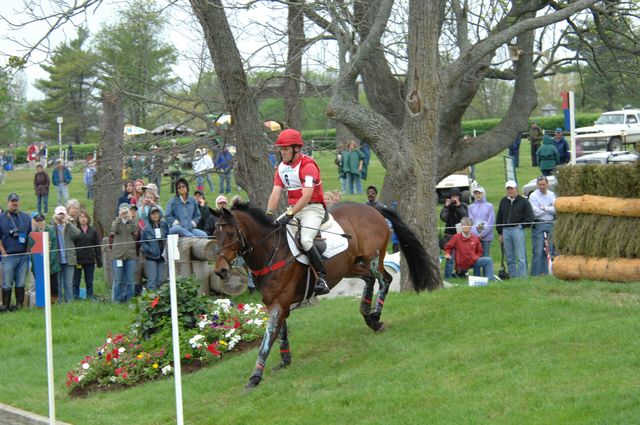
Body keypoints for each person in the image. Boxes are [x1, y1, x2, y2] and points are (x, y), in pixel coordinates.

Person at [266, 128, 330, 295]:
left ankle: (322, 278)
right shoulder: (281, 168)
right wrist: (269, 214)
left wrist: (289, 214)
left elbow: (307, 195)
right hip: (293, 210)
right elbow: (275, 192)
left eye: (286, 149)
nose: (282, 152)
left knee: (306, 241)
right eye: (281, 149)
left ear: (296, 148)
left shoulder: (308, 166)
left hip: (312, 209)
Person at [0, 193, 32, 312]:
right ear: (8, 202)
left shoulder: (25, 217)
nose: (14, 203)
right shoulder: (1, 218)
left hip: (23, 256)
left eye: (16, 201)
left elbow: (30, 235)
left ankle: (19, 305)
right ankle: (5, 306)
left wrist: (28, 251)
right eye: (12, 201)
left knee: (21, 282)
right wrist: (3, 252)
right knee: (7, 282)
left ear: (19, 202)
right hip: (8, 256)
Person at [496, 180, 534, 278]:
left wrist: (522, 225)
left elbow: (530, 217)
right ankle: (512, 275)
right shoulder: (503, 201)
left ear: (516, 188)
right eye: (508, 189)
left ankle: (522, 276)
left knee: (520, 255)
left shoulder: (523, 201)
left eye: (511, 188)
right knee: (509, 256)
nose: (510, 191)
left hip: (517, 229)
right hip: (505, 230)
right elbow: (499, 217)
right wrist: (500, 233)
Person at [28, 212, 60, 304]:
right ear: (34, 222)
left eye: (41, 220)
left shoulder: (51, 231)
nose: (40, 223)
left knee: (53, 287)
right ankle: (41, 305)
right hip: (38, 266)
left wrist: (49, 262)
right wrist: (39, 264)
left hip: (52, 266)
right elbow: (32, 251)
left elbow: (54, 248)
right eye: (37, 221)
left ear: (44, 221)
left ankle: (53, 304)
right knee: (40, 286)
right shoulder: (32, 234)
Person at [52, 205, 81, 303]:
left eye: (63, 214)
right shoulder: (52, 226)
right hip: (57, 259)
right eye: (59, 214)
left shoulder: (69, 225)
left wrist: (68, 223)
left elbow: (77, 234)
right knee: (58, 283)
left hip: (69, 258)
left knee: (68, 283)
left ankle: (69, 302)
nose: (61, 217)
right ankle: (60, 302)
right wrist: (54, 222)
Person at [111, 203, 139, 303]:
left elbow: (134, 230)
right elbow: (114, 230)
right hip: (118, 255)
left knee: (130, 281)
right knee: (118, 280)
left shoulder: (131, 222)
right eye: (122, 211)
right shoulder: (116, 222)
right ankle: (117, 301)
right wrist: (119, 219)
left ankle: (129, 300)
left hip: (130, 255)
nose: (124, 213)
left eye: (126, 211)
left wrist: (129, 219)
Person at [529, 176, 556, 276]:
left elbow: (556, 209)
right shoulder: (533, 195)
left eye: (543, 184)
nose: (542, 186)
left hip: (550, 224)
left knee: (548, 250)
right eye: (540, 184)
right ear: (537, 185)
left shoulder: (552, 195)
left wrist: (544, 208)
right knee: (538, 250)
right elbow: (535, 212)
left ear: (547, 184)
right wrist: (549, 210)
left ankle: (546, 272)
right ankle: (535, 274)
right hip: (539, 224)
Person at [73, 210, 102, 300]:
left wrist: (99, 260)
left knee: (89, 281)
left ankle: (90, 297)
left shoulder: (93, 230)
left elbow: (97, 246)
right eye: (81, 217)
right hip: (78, 260)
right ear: (78, 219)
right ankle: (75, 297)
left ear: (88, 219)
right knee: (76, 281)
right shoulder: (75, 230)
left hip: (89, 260)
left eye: (84, 217)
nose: (83, 219)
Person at [439, 188, 468, 278]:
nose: (454, 198)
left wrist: (459, 207)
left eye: (456, 196)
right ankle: (447, 276)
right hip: (449, 235)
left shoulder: (463, 205)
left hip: (460, 235)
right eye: (452, 196)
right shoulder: (448, 206)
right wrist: (446, 207)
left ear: (459, 197)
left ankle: (461, 273)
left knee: (462, 256)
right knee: (450, 257)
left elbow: (465, 218)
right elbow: (443, 218)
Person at [140, 205, 169, 291]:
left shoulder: (164, 225)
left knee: (160, 281)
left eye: (157, 213)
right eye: (153, 214)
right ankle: (151, 301)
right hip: (151, 258)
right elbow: (143, 242)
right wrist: (149, 250)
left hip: (162, 257)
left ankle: (159, 300)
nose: (155, 216)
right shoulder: (146, 228)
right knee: (152, 281)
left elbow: (168, 236)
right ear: (150, 216)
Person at [468, 186, 495, 257]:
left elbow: (491, 221)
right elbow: (471, 222)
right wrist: (476, 235)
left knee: (485, 257)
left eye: (479, 193)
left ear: (483, 194)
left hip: (486, 237)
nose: (477, 195)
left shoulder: (489, 206)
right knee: (476, 257)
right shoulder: (471, 207)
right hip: (475, 237)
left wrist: (482, 234)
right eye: (476, 193)